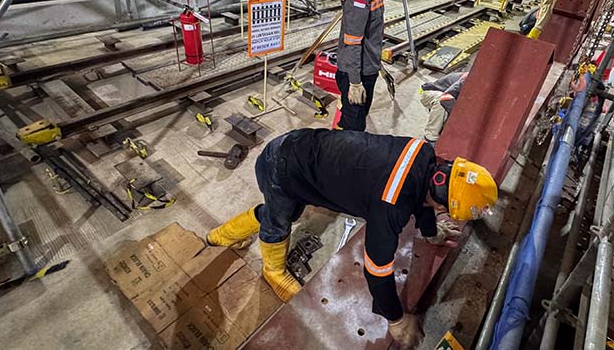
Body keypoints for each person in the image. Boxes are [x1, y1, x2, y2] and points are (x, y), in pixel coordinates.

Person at [206, 128, 498, 349]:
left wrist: (430, 231)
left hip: (300, 146)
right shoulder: (390, 205)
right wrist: (396, 320)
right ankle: (272, 269)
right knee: (279, 221)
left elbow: (424, 198)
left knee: (284, 212)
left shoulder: (423, 154)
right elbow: (377, 271)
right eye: (446, 209)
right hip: (280, 166)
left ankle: (222, 235)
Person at [336, 0, 409, 131]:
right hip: (355, 73)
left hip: (367, 68)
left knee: (357, 118)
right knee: (354, 130)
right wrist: (355, 83)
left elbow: (370, 34)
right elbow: (352, 42)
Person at [419, 72, 468, 144]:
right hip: (428, 93)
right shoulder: (467, 79)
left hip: (446, 96)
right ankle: (430, 137)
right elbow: (446, 98)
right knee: (442, 100)